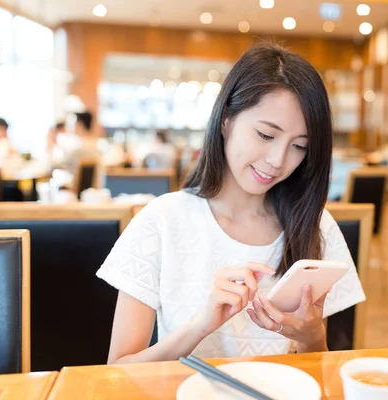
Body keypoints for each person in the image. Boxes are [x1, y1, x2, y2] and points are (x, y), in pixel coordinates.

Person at [96, 44, 366, 363]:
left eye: (299, 146)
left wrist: (312, 338)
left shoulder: (316, 226)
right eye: (266, 135)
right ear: (226, 119)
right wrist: (198, 327)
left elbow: (319, 374)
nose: (278, 160)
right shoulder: (162, 220)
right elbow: (118, 371)